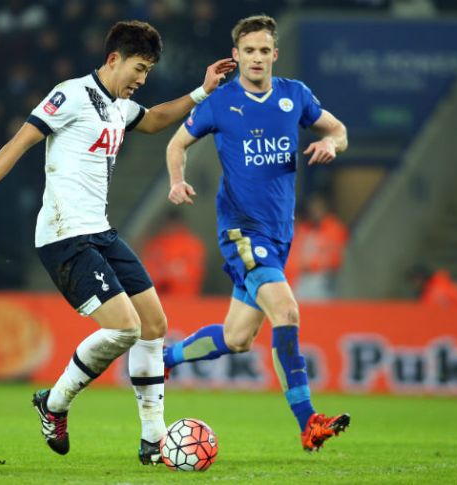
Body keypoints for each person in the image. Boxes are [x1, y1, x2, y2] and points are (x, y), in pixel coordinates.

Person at [0, 19, 236, 465]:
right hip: (64, 235)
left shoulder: (120, 107)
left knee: (154, 325)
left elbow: (155, 119)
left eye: (148, 71)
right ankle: (54, 403)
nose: (142, 79)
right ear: (113, 59)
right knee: (125, 328)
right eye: (138, 68)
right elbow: (18, 143)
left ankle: (153, 440)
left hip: (100, 232)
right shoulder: (70, 95)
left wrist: (202, 91)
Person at [163, 15, 350, 452]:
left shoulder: (294, 95)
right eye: (249, 51)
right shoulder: (221, 102)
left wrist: (331, 144)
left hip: (279, 235)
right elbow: (176, 144)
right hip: (242, 232)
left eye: (265, 50)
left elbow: (339, 130)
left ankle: (164, 358)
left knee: (238, 338)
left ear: (275, 55)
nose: (257, 58)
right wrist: (176, 180)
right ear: (237, 55)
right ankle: (308, 422)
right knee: (286, 311)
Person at [286, 193, 349, 300]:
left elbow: (334, 257)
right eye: (313, 210)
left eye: (318, 209)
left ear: (325, 209)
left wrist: (311, 264)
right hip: (300, 277)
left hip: (323, 277)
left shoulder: (335, 229)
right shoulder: (304, 229)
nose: (315, 212)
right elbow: (294, 253)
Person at [140, 208, 206, 296]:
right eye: (168, 224)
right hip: (159, 298)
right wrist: (167, 272)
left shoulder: (191, 245)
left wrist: (165, 273)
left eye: (173, 224)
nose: (170, 227)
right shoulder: (155, 244)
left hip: (185, 299)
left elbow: (192, 275)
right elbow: (147, 274)